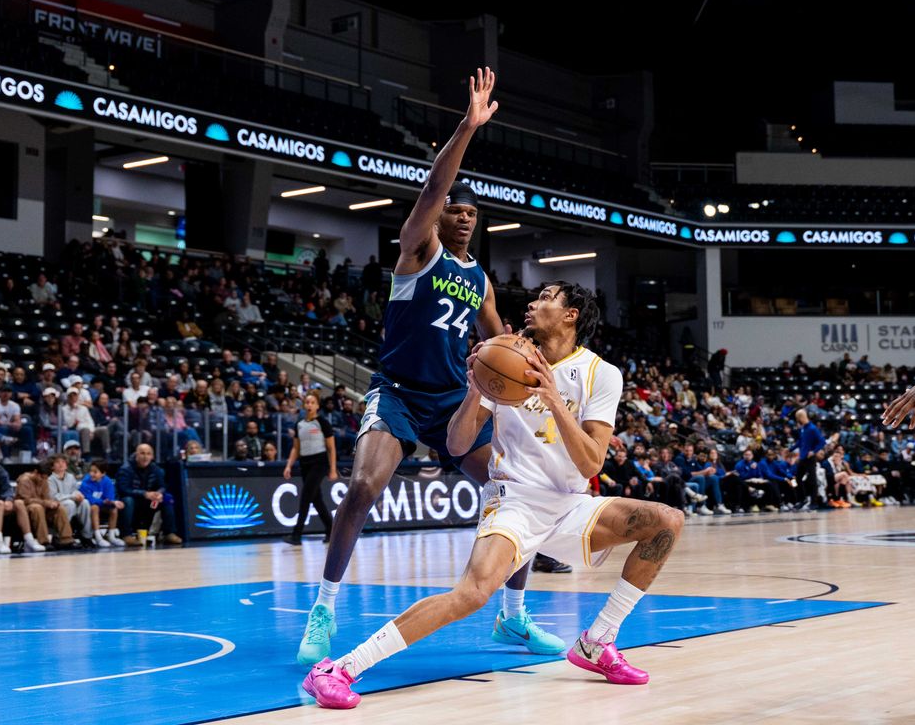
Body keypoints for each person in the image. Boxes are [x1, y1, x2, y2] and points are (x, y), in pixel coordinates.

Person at [301, 283, 681, 708]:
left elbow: (592, 463)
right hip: (514, 499)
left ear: (571, 314)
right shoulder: (502, 357)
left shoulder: (601, 373)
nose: (533, 303)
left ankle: (598, 641)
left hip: (571, 505)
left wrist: (554, 398)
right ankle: (339, 669)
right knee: (472, 593)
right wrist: (475, 391)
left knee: (667, 522)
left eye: (547, 297)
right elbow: (458, 444)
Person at [297, 67, 534, 666]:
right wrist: (469, 126)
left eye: (471, 215)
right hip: (399, 391)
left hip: (453, 401)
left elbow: (498, 340)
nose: (463, 217)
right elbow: (432, 188)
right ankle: (324, 610)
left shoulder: (480, 280)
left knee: (516, 493)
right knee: (362, 488)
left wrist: (526, 366)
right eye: (455, 210)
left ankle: (514, 617)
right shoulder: (417, 251)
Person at [282, 391, 338, 545]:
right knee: (317, 500)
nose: (309, 405)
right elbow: (295, 448)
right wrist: (289, 466)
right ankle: (332, 530)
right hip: (305, 464)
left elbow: (331, 448)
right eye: (307, 402)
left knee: (306, 497)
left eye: (312, 402)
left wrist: (333, 469)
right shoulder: (299, 424)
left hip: (319, 463)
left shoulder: (323, 423)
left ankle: (296, 535)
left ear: (318, 406)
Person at [116, 443, 181, 545]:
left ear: (152, 456)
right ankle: (126, 535)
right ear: (136, 455)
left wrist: (159, 494)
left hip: (150, 504)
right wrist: (145, 494)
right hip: (134, 502)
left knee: (167, 498)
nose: (145, 457)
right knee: (128, 500)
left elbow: (162, 486)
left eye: (148, 454)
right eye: (142, 453)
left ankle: (169, 533)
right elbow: (123, 489)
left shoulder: (155, 468)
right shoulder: (126, 468)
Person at [16, 459, 75, 549]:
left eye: (45, 478)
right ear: (36, 472)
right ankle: (44, 541)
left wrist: (52, 503)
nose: (43, 480)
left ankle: (66, 539)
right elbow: (25, 500)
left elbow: (46, 498)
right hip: (26, 509)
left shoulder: (44, 481)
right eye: (42, 477)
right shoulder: (24, 480)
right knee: (37, 508)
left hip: (42, 507)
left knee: (60, 508)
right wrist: (45, 503)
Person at [80, 458, 127, 547]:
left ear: (103, 473)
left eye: (95, 472)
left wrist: (113, 502)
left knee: (114, 509)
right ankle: (98, 537)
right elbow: (89, 499)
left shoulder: (107, 481)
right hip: (89, 507)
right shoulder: (85, 482)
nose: (91, 474)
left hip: (103, 505)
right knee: (94, 507)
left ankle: (111, 536)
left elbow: (110, 497)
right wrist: (103, 501)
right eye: (91, 471)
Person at [48, 452, 91, 543]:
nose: (61, 464)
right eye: (57, 462)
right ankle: (60, 535)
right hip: (58, 506)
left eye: (63, 462)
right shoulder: (50, 479)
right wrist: (72, 496)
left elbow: (74, 489)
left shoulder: (70, 477)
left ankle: (86, 536)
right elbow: (54, 497)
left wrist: (78, 494)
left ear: (66, 465)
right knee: (69, 504)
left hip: (71, 503)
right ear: (52, 466)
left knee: (85, 503)